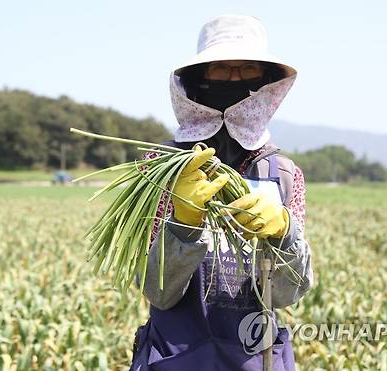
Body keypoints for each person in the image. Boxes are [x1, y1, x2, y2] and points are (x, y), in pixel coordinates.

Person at [129, 15, 314, 370]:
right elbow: (157, 291)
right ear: (198, 80)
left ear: (266, 83)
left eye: (247, 70)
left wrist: (283, 233)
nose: (234, 79)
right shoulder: (159, 167)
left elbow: (287, 294)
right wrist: (183, 224)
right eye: (220, 69)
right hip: (176, 357)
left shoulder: (285, 174)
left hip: (254, 359)